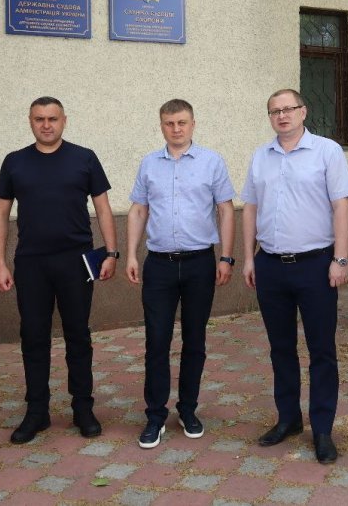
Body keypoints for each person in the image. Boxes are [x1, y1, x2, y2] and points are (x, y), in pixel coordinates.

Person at [0, 96, 118, 444]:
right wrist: (0, 263)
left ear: (64, 120)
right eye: (39, 119)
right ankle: (37, 411)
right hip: (31, 263)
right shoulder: (15, 162)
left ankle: (83, 408)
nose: (46, 125)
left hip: (75, 262)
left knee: (78, 335)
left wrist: (111, 252)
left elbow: (103, 208)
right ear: (30, 121)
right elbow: (1, 214)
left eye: (52, 118)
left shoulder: (84, 158)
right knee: (33, 337)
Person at [241, 89, 348, 464]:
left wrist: (340, 258)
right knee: (281, 348)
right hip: (271, 265)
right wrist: (249, 257)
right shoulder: (261, 156)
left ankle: (322, 429)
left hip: (316, 265)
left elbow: (342, 206)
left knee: (321, 350)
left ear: (303, 111)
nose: (282, 115)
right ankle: (288, 418)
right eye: (274, 111)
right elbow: (250, 208)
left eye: (288, 108)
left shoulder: (327, 151)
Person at [126, 99, 236, 449]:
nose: (176, 129)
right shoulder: (149, 163)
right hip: (158, 264)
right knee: (156, 340)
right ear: (161, 125)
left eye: (182, 122)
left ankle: (188, 409)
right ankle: (155, 416)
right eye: (169, 123)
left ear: (193, 124)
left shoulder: (211, 162)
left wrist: (226, 257)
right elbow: (138, 210)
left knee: (195, 339)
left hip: (199, 264)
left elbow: (226, 210)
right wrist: (131, 254)